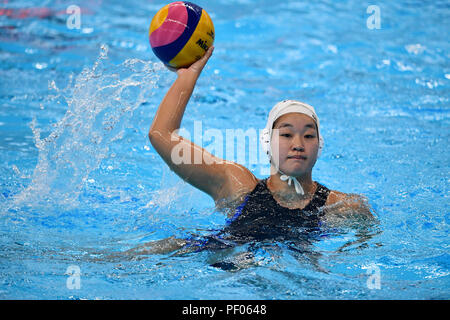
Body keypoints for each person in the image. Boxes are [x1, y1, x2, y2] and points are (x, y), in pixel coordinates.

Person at [140, 46, 375, 256]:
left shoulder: (343, 206)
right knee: (166, 246)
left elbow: (370, 244)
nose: (298, 144)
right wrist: (188, 75)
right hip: (223, 269)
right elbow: (161, 134)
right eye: (285, 134)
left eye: (309, 135)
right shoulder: (236, 186)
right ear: (267, 143)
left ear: (319, 146)